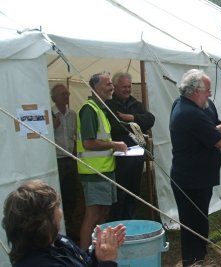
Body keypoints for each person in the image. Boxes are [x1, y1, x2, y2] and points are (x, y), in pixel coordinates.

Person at [169, 69, 221, 266]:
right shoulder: (186, 112)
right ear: (194, 91)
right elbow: (220, 141)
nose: (210, 94)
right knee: (191, 221)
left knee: (200, 216)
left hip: (202, 176)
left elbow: (212, 129)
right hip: (189, 177)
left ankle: (201, 253)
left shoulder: (202, 106)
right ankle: (192, 260)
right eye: (207, 90)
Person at [2, 179, 126, 267]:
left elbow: (85, 263)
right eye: (57, 207)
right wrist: (107, 262)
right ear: (44, 220)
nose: (61, 213)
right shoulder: (38, 262)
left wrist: (98, 255)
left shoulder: (59, 242)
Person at [77, 72, 128, 251]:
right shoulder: (89, 109)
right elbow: (88, 143)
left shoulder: (101, 109)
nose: (111, 87)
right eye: (107, 84)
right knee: (92, 215)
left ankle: (96, 251)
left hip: (105, 170)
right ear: (95, 87)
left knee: (103, 214)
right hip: (93, 172)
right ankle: (83, 255)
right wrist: (115, 145)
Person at [106, 72, 155, 221]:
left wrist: (133, 118)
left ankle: (131, 219)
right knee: (120, 192)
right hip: (119, 158)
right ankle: (119, 222)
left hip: (137, 157)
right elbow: (115, 127)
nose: (127, 90)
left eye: (129, 86)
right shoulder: (109, 104)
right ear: (115, 87)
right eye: (124, 87)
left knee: (134, 191)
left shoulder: (135, 104)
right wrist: (136, 125)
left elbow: (150, 119)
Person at [50, 83, 83, 242]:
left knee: (71, 195)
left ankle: (68, 227)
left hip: (70, 160)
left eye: (68, 94)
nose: (67, 96)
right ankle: (56, 229)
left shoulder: (73, 115)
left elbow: (75, 137)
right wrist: (51, 127)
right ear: (54, 98)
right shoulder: (48, 115)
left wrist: (75, 154)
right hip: (56, 160)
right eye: (63, 94)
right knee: (57, 194)